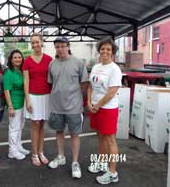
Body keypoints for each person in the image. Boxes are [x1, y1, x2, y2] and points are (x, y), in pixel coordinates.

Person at [47, 36, 88, 179]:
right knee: (59, 132)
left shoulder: (78, 63)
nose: (60, 49)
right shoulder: (52, 64)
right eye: (57, 47)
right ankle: (60, 156)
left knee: (74, 134)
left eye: (63, 46)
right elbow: (51, 83)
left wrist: (79, 100)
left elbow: (84, 84)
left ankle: (75, 163)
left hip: (74, 107)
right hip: (57, 106)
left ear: (68, 46)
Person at [87, 37, 122, 185]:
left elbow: (111, 92)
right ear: (99, 51)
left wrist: (98, 105)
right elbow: (90, 86)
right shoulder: (96, 67)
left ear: (112, 52)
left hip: (107, 109)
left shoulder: (114, 69)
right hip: (95, 107)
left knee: (110, 140)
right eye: (103, 49)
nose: (105, 51)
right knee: (100, 136)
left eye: (108, 49)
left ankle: (113, 172)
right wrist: (89, 102)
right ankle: (102, 163)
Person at [22, 33, 52, 166]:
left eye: (37, 42)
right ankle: (34, 153)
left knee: (41, 126)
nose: (35, 45)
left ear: (42, 42)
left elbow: (53, 78)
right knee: (34, 125)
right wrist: (27, 99)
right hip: (33, 96)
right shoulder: (27, 60)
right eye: (32, 43)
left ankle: (41, 152)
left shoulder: (49, 59)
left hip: (46, 96)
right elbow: (26, 81)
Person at [4, 49, 30, 160]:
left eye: (19, 57)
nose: (18, 59)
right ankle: (12, 151)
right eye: (15, 57)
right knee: (14, 128)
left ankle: (18, 146)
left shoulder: (21, 71)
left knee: (20, 126)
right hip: (14, 103)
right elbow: (6, 91)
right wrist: (10, 106)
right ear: (11, 60)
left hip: (22, 102)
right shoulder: (9, 73)